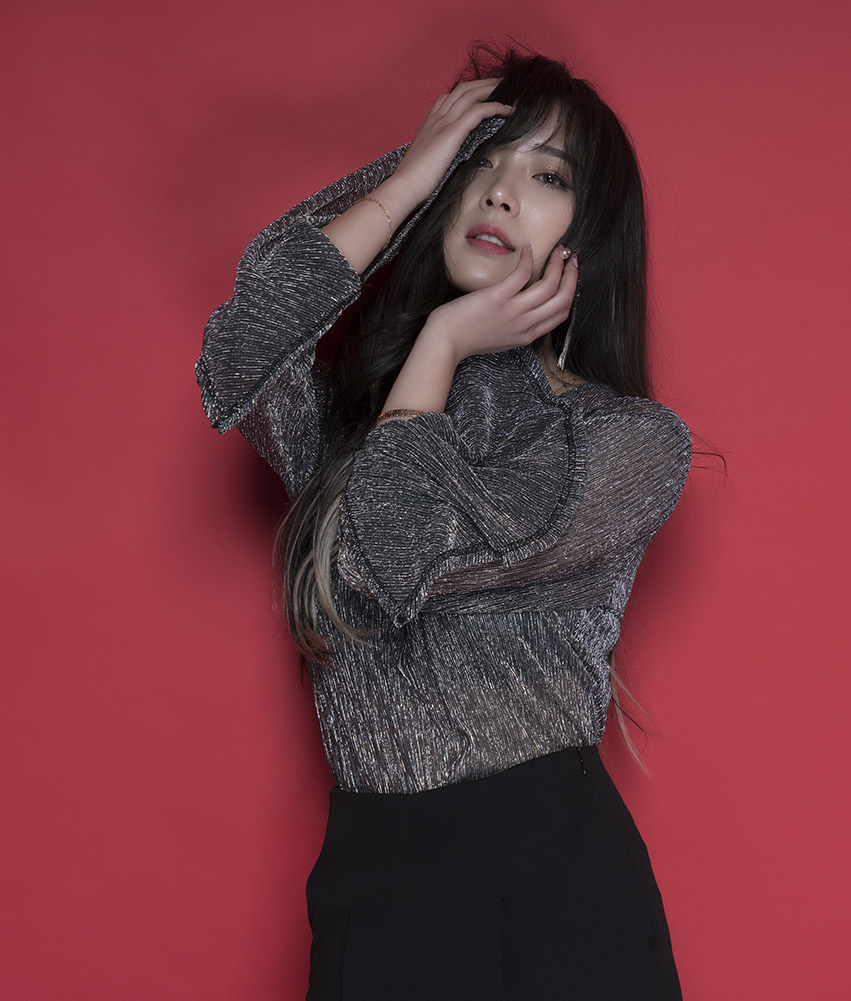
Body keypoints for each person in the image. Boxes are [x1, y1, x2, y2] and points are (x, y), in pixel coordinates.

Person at [195, 44, 690, 1000]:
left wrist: (444, 341)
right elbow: (239, 347)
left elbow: (389, 551)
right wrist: (412, 174)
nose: (499, 192)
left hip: (555, 894)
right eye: (481, 164)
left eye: (546, 177)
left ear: (592, 236)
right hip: (373, 891)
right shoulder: (348, 424)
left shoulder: (622, 446)